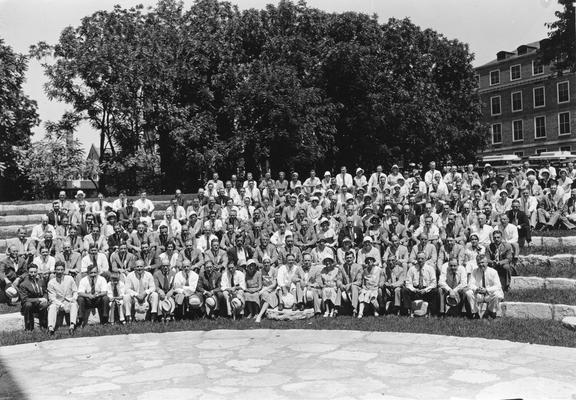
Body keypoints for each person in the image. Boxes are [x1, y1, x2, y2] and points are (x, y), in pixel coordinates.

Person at [402, 252, 438, 317]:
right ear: (416, 259)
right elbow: (408, 282)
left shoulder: (430, 268)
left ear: (425, 259)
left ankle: (431, 312)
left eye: (422, 258)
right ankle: (408, 311)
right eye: (418, 258)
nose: (420, 260)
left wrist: (425, 290)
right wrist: (414, 289)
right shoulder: (412, 269)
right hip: (415, 291)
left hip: (426, 291)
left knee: (435, 291)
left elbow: (434, 283)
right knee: (405, 290)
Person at [47, 261, 78, 335]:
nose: (60, 272)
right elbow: (52, 298)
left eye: (61, 270)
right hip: (58, 303)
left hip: (69, 301)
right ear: (55, 270)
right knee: (52, 307)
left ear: (64, 270)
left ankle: (72, 326)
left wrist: (74, 298)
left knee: (74, 304)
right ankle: (51, 328)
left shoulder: (70, 278)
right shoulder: (51, 282)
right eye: (58, 270)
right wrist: (61, 305)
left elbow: (75, 291)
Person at [468, 254, 504, 319]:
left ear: (487, 263)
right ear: (477, 263)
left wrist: (487, 290)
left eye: (482, 262)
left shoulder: (493, 272)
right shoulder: (474, 271)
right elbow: (470, 284)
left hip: (489, 295)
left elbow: (498, 286)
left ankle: (491, 311)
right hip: (479, 294)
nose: (481, 264)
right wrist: (477, 289)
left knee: (497, 294)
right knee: (469, 293)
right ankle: (475, 313)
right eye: (479, 263)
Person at [18, 264, 48, 331]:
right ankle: (29, 328)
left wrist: (45, 298)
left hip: (38, 304)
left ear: (37, 272)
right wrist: (39, 299)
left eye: (35, 272)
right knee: (28, 304)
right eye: (31, 272)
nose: (33, 274)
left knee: (44, 304)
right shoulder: (23, 284)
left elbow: (45, 292)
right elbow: (24, 299)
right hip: (28, 306)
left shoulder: (41, 281)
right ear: (28, 273)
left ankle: (43, 325)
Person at [255, 257, 278, 323]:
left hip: (273, 289)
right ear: (262, 263)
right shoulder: (261, 271)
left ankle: (259, 315)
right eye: (264, 263)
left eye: (268, 262)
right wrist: (262, 289)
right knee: (264, 295)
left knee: (267, 296)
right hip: (264, 288)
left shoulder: (274, 270)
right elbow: (260, 282)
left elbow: (274, 284)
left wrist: (265, 289)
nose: (266, 264)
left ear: (270, 263)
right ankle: (260, 314)